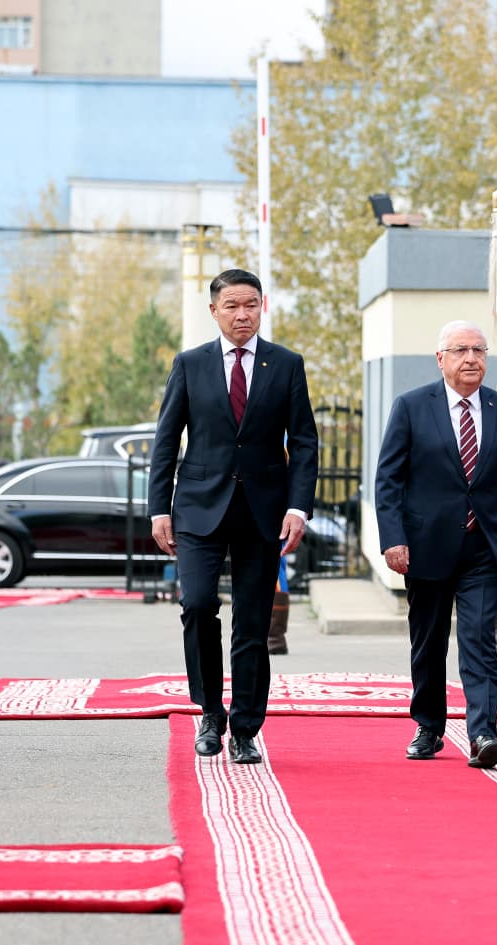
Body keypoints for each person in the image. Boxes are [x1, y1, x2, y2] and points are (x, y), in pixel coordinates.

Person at [148, 268, 318, 766]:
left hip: (264, 513)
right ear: (214, 311)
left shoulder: (285, 365)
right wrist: (160, 507)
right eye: (232, 306)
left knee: (253, 622)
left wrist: (297, 505)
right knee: (198, 605)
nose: (242, 314)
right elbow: (165, 441)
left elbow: (304, 441)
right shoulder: (190, 364)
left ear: (262, 306)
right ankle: (209, 713)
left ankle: (244, 727)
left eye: (251, 305)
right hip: (198, 510)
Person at [374, 320, 497, 769]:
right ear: (440, 358)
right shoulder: (411, 406)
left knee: (479, 638)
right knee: (428, 643)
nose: (471, 359)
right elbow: (388, 480)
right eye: (461, 350)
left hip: (485, 547)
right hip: (424, 547)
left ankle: (483, 732)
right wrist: (393, 539)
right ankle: (429, 725)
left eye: (479, 350)